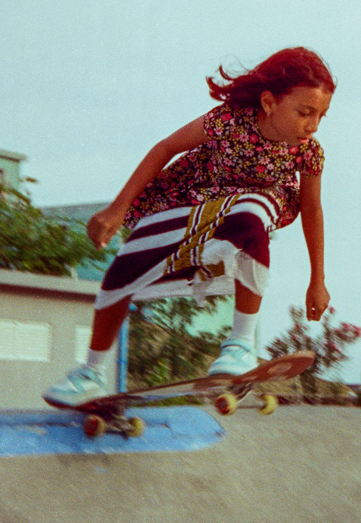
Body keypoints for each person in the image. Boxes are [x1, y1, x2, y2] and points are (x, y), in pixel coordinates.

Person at [43, 47, 334, 406]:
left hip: (256, 206)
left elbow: (312, 209)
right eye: (305, 113)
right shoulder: (229, 120)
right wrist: (118, 208)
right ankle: (91, 373)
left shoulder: (308, 152)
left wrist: (317, 279)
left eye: (322, 115)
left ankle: (240, 345)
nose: (313, 125)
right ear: (270, 102)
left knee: (252, 210)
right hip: (196, 199)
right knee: (125, 265)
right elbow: (165, 147)